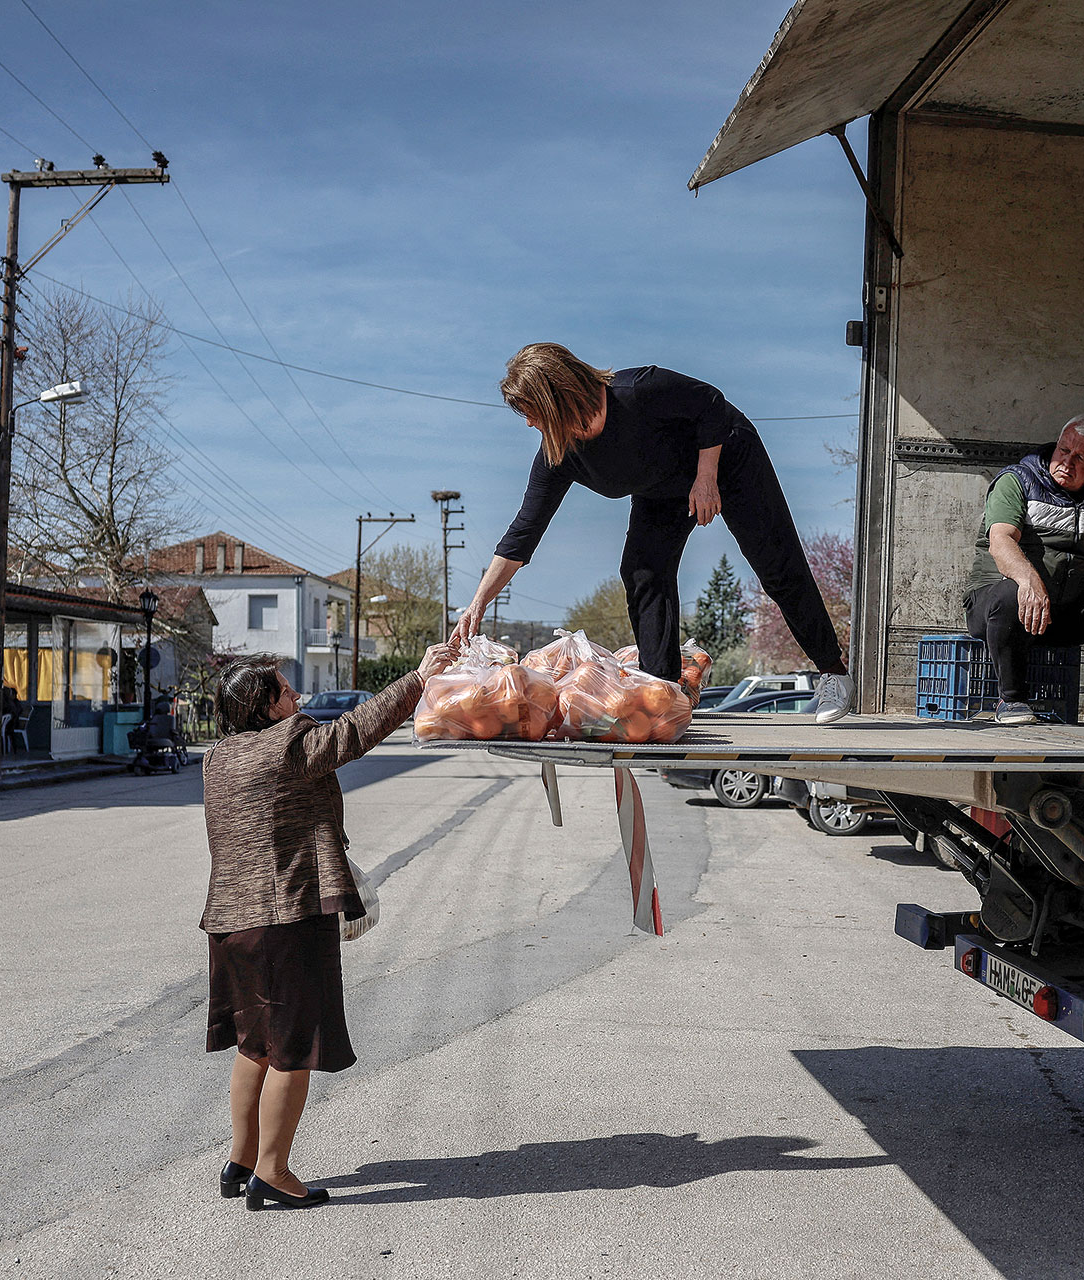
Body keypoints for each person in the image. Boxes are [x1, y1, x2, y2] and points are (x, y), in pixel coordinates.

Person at [452, 344, 853, 725]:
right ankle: (664, 689)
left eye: (532, 410)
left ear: (557, 395)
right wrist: (478, 602)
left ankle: (833, 670)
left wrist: (706, 478)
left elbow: (711, 403)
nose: (529, 422)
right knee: (643, 570)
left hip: (726, 457)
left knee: (775, 564)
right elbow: (523, 533)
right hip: (662, 492)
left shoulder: (637, 390)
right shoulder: (560, 454)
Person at [200, 642, 457, 1210]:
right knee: (294, 1046)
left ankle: (241, 1159)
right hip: (285, 919)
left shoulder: (218, 756)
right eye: (286, 691)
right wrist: (417, 679)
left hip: (231, 924)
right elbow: (352, 733)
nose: (299, 696)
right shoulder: (286, 745)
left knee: (255, 1043)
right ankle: (274, 1171)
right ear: (264, 707)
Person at [963, 414, 1084, 727]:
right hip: (998, 609)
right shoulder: (1017, 480)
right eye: (1064, 450)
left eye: (1081, 457)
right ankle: (1011, 699)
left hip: (1061, 612)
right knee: (1011, 594)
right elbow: (1000, 541)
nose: (1067, 462)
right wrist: (1030, 581)